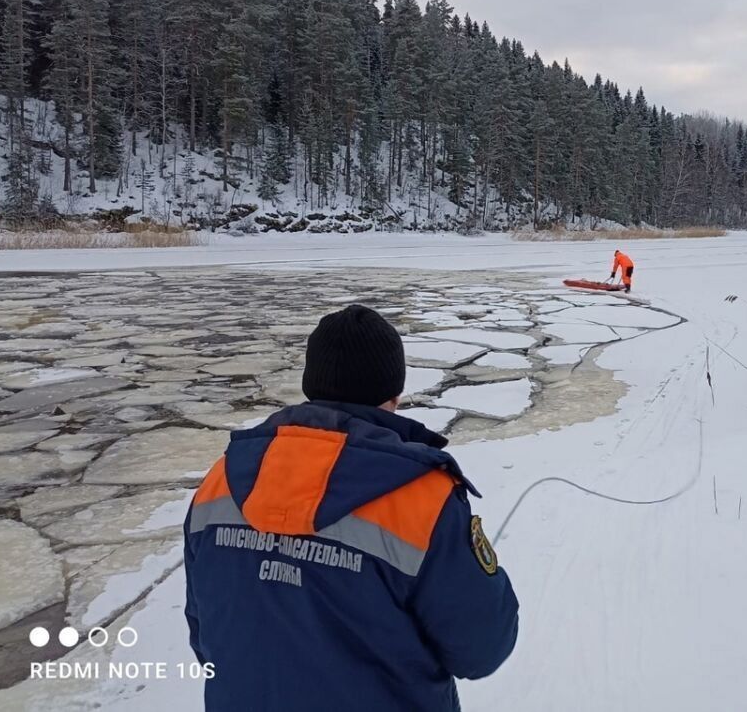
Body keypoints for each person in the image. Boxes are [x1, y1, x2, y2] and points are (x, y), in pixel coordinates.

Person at [183, 304, 519, 711]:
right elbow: (481, 647)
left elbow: (205, 632)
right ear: (393, 392)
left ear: (312, 383)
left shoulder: (221, 479)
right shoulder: (423, 499)